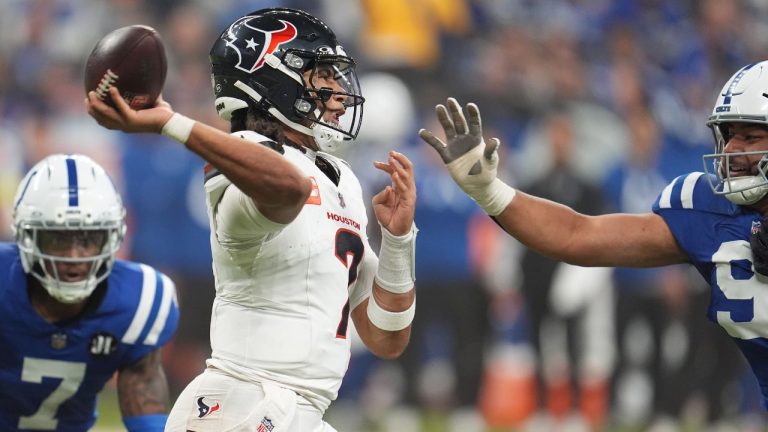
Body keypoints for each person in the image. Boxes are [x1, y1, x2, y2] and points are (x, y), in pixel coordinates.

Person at [86, 7, 417, 431]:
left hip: (299, 411)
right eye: (323, 75)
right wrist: (172, 122)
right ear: (274, 80)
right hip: (242, 402)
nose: (338, 91)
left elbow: (385, 336)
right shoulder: (243, 156)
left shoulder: (341, 180)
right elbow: (288, 189)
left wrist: (399, 242)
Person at [418, 60, 768, 412]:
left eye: (750, 137)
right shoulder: (710, 212)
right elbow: (578, 235)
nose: (732, 150)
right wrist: (490, 191)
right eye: (729, 134)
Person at [0, 154, 179, 431]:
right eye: (57, 238)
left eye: (89, 238)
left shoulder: (138, 301)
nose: (74, 256)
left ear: (113, 237)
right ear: (26, 237)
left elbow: (148, 418)